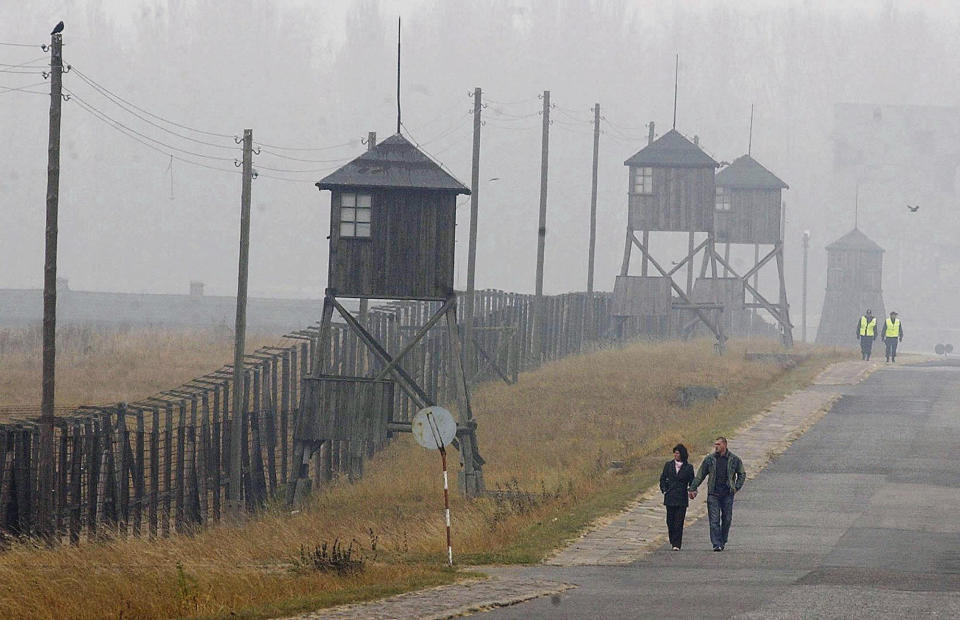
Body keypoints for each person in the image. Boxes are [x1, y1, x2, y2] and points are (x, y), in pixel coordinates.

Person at [688, 437, 745, 551]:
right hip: (713, 494)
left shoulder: (734, 459)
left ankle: (723, 540)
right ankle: (716, 543)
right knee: (714, 520)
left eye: (718, 444)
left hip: (727, 494)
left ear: (725, 445)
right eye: (715, 444)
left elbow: (742, 473)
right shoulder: (709, 460)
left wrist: (736, 487)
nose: (716, 447)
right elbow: (701, 475)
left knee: (727, 519)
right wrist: (692, 488)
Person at [660, 443, 695, 550]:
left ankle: (676, 544)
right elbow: (663, 478)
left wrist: (692, 490)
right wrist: (664, 489)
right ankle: (672, 539)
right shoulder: (668, 465)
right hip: (670, 496)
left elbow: (692, 481)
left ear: (682, 454)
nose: (676, 455)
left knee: (679, 522)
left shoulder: (688, 467)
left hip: (681, 498)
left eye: (678, 453)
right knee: (670, 521)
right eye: (675, 453)